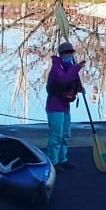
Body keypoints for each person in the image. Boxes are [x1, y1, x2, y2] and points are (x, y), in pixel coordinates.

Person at [45, 41, 85, 171]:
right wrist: (76, 67)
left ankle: (63, 159)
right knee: (56, 134)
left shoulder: (69, 68)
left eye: (71, 53)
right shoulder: (57, 68)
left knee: (65, 134)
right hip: (55, 107)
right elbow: (63, 80)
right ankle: (53, 161)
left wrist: (79, 88)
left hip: (65, 107)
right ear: (62, 55)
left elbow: (71, 82)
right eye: (67, 54)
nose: (69, 56)